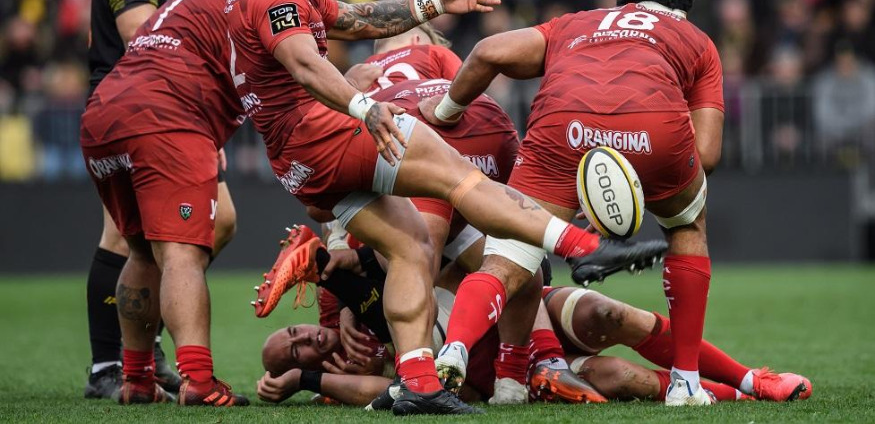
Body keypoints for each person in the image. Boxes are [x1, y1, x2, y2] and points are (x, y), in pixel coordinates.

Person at [227, 0, 653, 415]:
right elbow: (304, 63)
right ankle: (586, 250)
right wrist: (365, 106)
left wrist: (436, 2)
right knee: (463, 180)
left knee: (411, 249)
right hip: (326, 134)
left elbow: (359, 18)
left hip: (298, 161)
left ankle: (417, 382)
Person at [421, 0, 726, 406]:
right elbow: (708, 154)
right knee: (687, 225)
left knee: (507, 255)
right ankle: (686, 382)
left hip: (562, 129)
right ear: (678, 12)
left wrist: (447, 110)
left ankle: (455, 348)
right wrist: (630, 182)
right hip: (654, 130)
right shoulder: (694, 38)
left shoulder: (577, 22)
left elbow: (488, 52)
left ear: (623, 3)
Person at [255, 231, 811, 406]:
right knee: (619, 378)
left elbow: (332, 252)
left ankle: (750, 377)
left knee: (608, 312)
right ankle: (736, 396)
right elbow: (389, 391)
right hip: (492, 367)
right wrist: (309, 379)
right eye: (296, 352)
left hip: (522, 308)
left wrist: (328, 268)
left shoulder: (347, 301)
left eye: (294, 332)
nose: (306, 340)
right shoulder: (346, 377)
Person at [80, 0, 268, 406]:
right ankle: (199, 381)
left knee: (142, 251)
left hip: (104, 113)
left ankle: (137, 378)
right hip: (165, 117)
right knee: (183, 252)